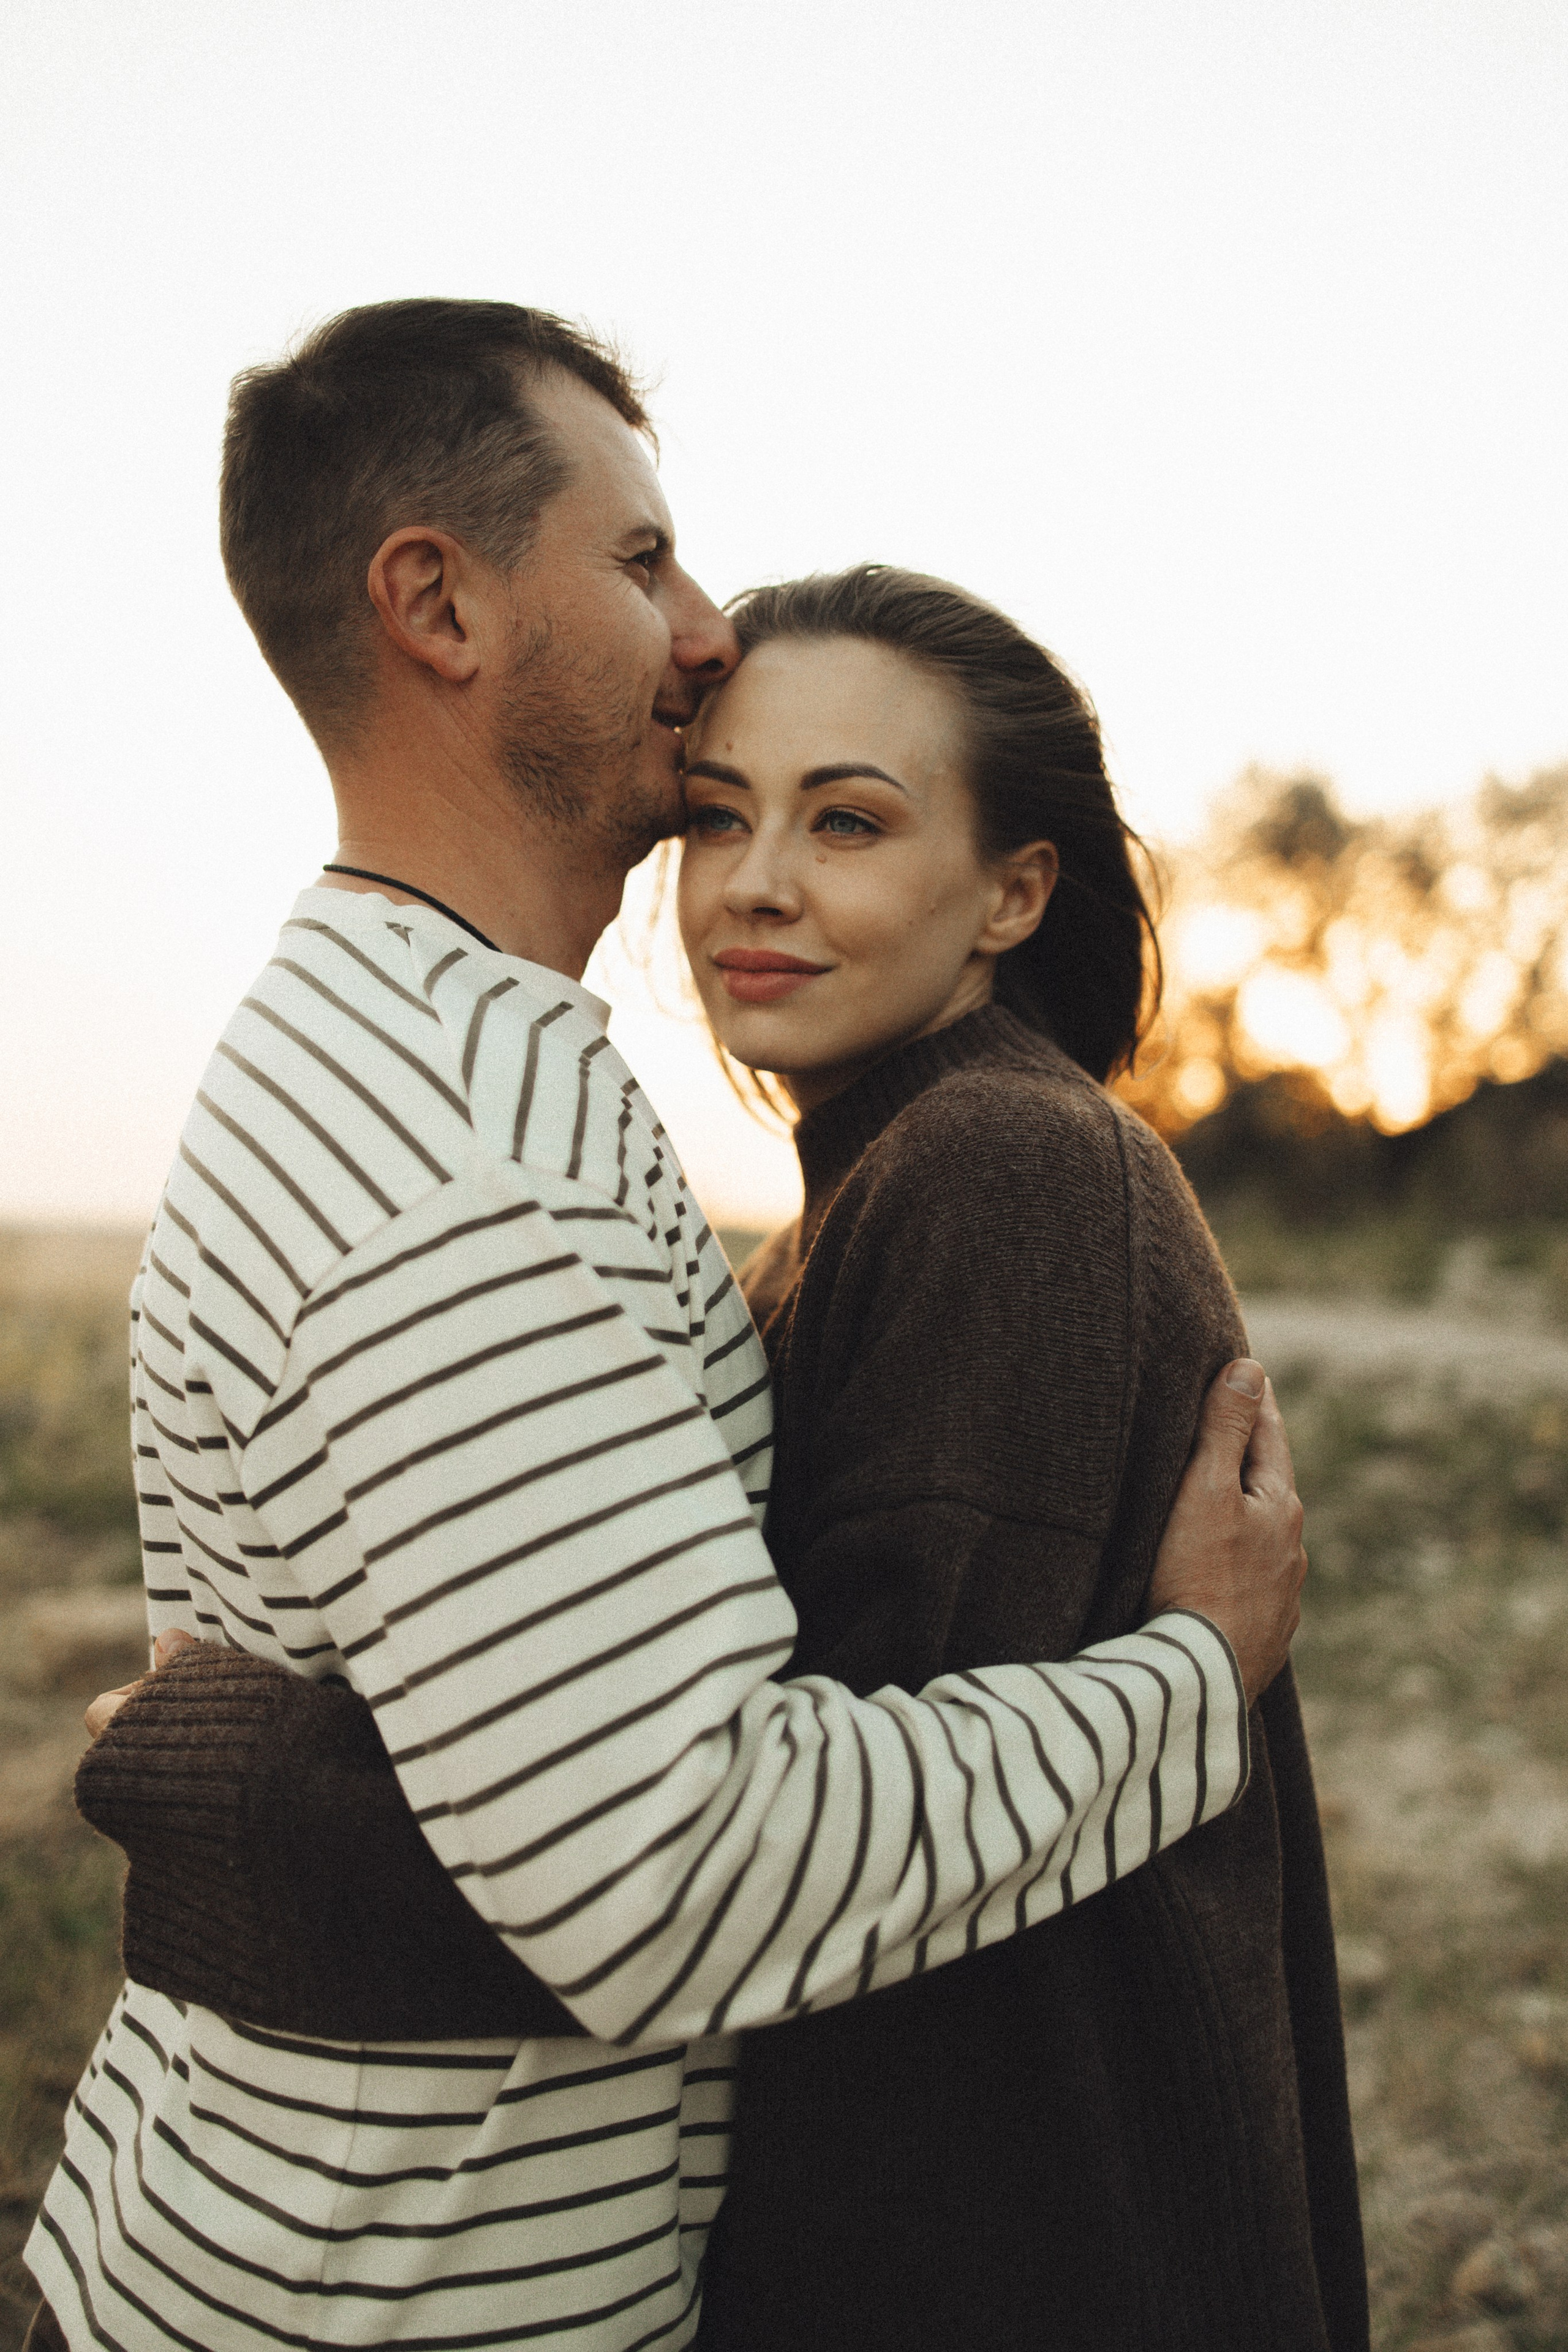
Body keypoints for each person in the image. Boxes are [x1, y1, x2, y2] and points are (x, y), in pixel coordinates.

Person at [27, 300, 1308, 2352]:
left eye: (853, 816)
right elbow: (673, 1867)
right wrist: (1184, 1684)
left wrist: (244, 1787)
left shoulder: (444, 1056)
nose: (701, 628)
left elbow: (654, 1784)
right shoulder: (451, 1144)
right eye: (641, 561)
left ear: (1013, 890)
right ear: (436, 604)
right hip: (382, 2303)